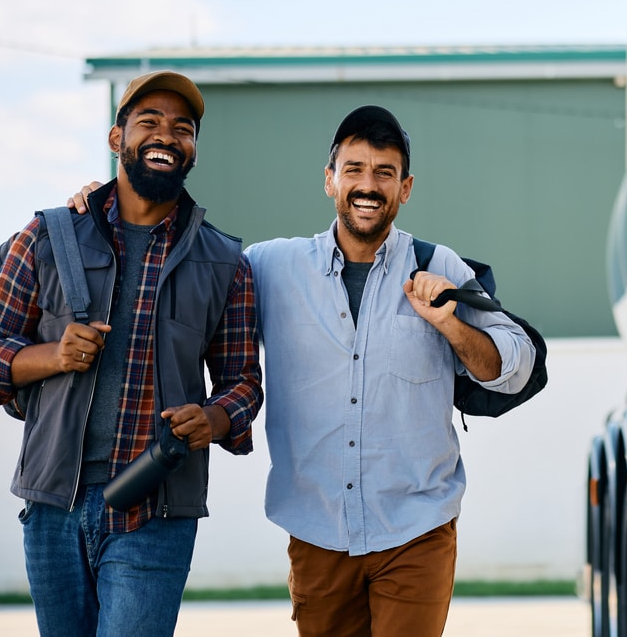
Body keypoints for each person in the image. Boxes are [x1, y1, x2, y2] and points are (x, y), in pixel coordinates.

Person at [70, 103, 535, 636]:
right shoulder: (271, 267)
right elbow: (187, 263)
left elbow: (514, 368)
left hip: (418, 529)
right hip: (317, 534)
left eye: (384, 173)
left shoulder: (439, 266)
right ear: (329, 180)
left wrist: (451, 324)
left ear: (405, 188)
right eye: (354, 169)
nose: (368, 185)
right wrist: (107, 207)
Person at [0, 70, 263, 637]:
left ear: (193, 150)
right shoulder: (47, 237)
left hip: (156, 507)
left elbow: (244, 382)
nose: (166, 136)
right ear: (115, 139)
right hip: (53, 505)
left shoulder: (227, 263)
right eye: (148, 122)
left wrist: (215, 416)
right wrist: (54, 355)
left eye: (183, 128)